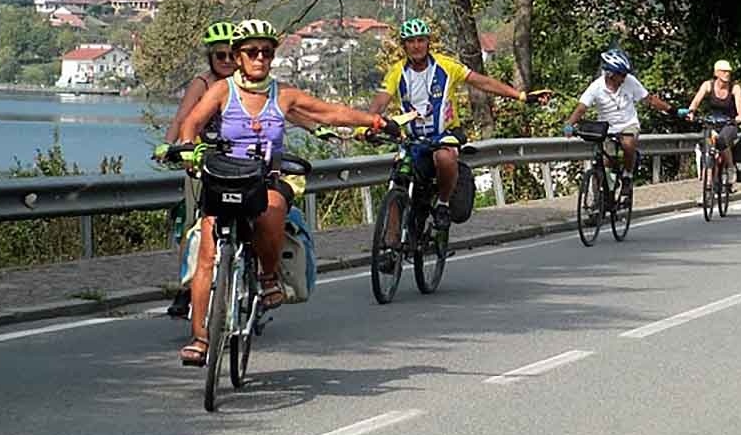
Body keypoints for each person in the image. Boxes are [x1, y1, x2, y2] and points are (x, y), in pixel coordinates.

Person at [175, 19, 398, 366]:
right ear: (237, 57)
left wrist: (375, 121)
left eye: (267, 52)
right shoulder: (221, 92)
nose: (260, 58)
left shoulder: (284, 94)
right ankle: (201, 338)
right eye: (251, 52)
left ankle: (267, 276)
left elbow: (331, 111)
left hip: (266, 177)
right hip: (225, 176)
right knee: (206, 254)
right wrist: (188, 148)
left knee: (273, 207)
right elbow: (193, 122)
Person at [367, 18, 550, 231]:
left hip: (444, 134)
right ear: (404, 45)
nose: (416, 46)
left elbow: (482, 82)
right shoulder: (397, 72)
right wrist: (368, 124)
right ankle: (389, 246)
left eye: (420, 40)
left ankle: (443, 204)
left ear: (428, 43)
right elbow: (380, 100)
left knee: (444, 157)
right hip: (413, 138)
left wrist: (520, 95)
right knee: (398, 179)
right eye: (410, 41)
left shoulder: (447, 66)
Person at [155, 20, 238, 319]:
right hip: (202, 162)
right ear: (210, 58)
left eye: (232, 54)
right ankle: (186, 289)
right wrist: (170, 145)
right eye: (220, 56)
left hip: (239, 161)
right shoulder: (202, 84)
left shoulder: (247, 84)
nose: (227, 61)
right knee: (194, 224)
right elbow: (182, 118)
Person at [563, 49, 677, 195]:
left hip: (628, 123)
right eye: (621, 75)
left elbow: (649, 100)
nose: (624, 78)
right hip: (607, 127)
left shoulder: (630, 82)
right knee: (607, 161)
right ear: (610, 74)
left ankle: (627, 176)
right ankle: (605, 196)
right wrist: (569, 124)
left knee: (628, 144)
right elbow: (581, 108)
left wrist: (671, 110)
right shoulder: (596, 87)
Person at [680, 59, 741, 190]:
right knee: (707, 149)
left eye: (728, 72)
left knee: (722, 141)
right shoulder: (708, 85)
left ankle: (731, 168)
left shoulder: (735, 88)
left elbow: (740, 111)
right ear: (716, 73)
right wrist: (691, 112)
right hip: (712, 122)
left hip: (728, 123)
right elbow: (696, 100)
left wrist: (739, 117)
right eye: (723, 71)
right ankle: (707, 186)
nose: (727, 74)